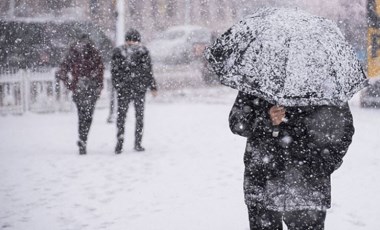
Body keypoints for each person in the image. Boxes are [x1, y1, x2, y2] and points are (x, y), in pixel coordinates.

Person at [229, 92, 355, 230]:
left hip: (308, 189)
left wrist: (323, 165)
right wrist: (266, 117)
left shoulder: (325, 82)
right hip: (263, 183)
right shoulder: (258, 78)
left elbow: (344, 130)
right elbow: (237, 122)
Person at [56, 34, 104, 155]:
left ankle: (82, 138)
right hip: (91, 87)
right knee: (88, 115)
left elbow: (62, 71)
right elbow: (100, 71)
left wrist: (71, 84)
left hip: (79, 87)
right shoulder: (94, 52)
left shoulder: (73, 52)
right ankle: (83, 138)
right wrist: (99, 86)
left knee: (82, 115)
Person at [111, 28, 157, 154]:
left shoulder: (118, 51)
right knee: (139, 116)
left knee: (121, 117)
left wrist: (118, 86)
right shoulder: (143, 51)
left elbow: (114, 72)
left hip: (124, 89)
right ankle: (137, 143)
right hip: (138, 89)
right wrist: (152, 86)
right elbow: (148, 71)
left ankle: (119, 142)